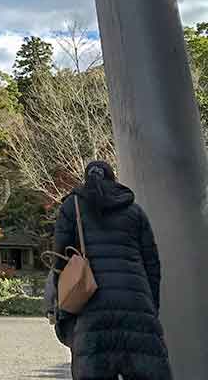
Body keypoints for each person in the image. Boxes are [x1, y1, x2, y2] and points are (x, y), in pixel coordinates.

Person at [53, 160, 172, 380]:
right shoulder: (135, 212)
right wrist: (150, 306)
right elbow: (152, 266)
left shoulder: (72, 207)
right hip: (136, 307)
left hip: (91, 309)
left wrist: (63, 314)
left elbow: (60, 262)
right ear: (112, 179)